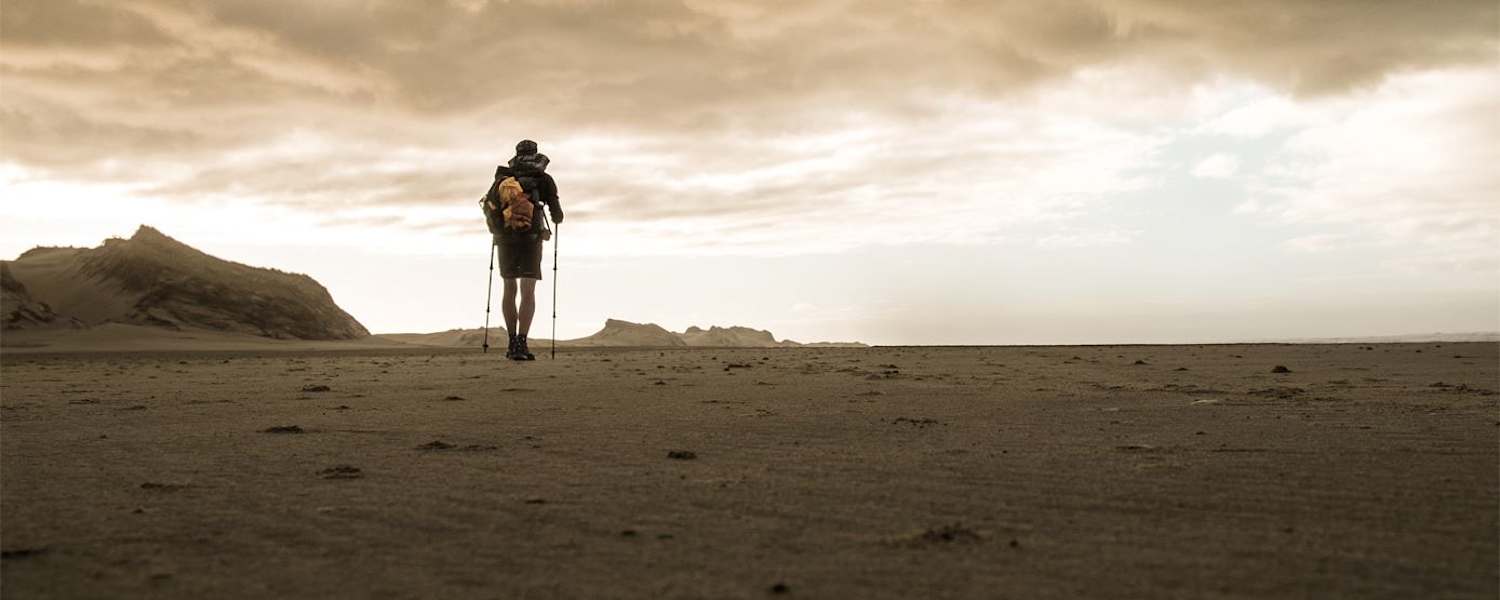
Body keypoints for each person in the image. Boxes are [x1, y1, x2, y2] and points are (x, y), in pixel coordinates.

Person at [483, 139, 563, 360]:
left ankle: (511, 344)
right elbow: (558, 217)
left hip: (505, 240)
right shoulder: (544, 179)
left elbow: (490, 207)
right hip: (531, 239)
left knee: (509, 289)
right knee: (528, 292)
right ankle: (522, 343)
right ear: (536, 154)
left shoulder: (504, 179)